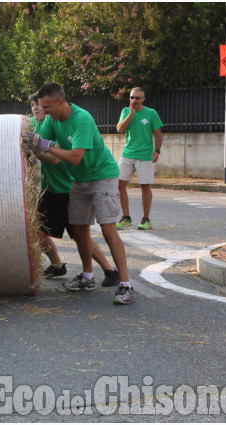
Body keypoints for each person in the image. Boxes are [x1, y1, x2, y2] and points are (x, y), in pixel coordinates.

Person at [24, 82, 134, 304]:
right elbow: (53, 158)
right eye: (42, 108)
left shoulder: (81, 119)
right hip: (80, 178)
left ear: (61, 102)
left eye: (47, 107)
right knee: (79, 228)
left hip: (103, 174)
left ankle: (126, 285)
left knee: (107, 227)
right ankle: (87, 276)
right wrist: (33, 150)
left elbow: (75, 157)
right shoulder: (52, 121)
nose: (44, 113)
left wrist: (44, 146)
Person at [115, 87, 164, 230]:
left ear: (143, 99)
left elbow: (158, 134)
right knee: (119, 184)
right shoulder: (126, 111)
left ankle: (145, 219)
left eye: (137, 98)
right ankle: (126, 217)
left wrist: (157, 150)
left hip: (145, 155)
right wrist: (131, 113)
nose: (134, 100)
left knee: (145, 186)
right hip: (128, 153)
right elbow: (120, 129)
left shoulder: (151, 113)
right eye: (131, 97)